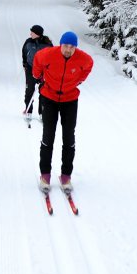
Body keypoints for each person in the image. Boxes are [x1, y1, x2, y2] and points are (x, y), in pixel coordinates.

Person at [32, 31, 93, 193]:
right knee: (48, 136)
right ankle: (45, 175)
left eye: (72, 47)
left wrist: (79, 80)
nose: (68, 49)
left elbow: (89, 65)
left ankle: (66, 176)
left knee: (69, 138)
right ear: (61, 44)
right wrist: (37, 75)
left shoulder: (83, 58)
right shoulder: (48, 54)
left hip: (70, 100)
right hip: (49, 97)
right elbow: (37, 60)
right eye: (66, 46)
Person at [20, 25, 52, 114]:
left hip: (43, 70)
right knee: (29, 90)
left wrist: (48, 69)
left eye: (32, 32)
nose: (30, 34)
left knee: (43, 91)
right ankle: (28, 110)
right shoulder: (28, 42)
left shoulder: (47, 44)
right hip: (30, 68)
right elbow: (24, 52)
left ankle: (42, 113)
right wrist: (24, 64)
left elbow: (52, 57)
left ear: (37, 34)